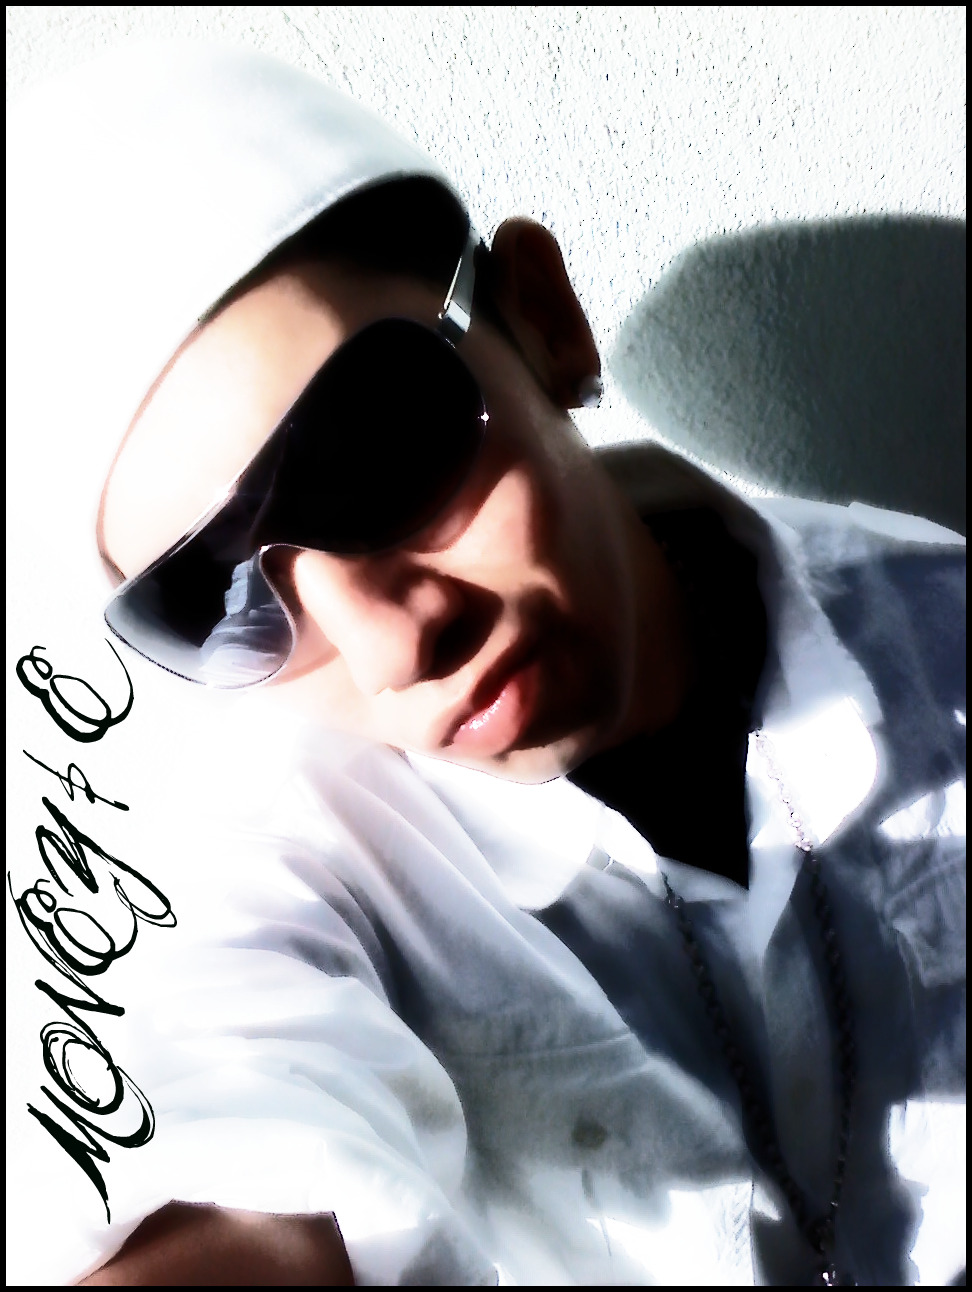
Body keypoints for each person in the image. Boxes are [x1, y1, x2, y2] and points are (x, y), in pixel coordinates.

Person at [8, 42, 965, 1287]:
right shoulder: (256, 867)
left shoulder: (941, 630)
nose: (389, 639)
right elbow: (225, 1154)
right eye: (213, 598)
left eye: (368, 457)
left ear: (545, 318)